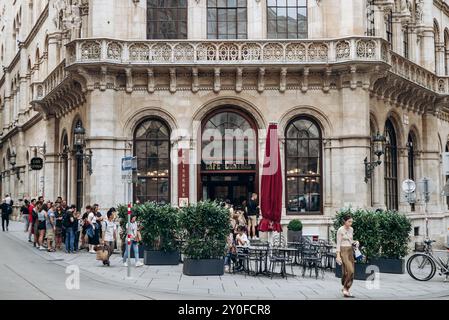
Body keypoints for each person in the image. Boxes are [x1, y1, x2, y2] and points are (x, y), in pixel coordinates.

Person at [336, 214, 359, 298]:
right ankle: (345, 287)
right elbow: (338, 243)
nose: (351, 223)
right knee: (349, 270)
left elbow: (351, 240)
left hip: (350, 250)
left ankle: (346, 289)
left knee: (351, 271)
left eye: (351, 221)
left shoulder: (351, 229)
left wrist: (356, 243)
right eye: (349, 221)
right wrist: (338, 255)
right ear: (344, 221)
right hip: (343, 251)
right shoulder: (340, 230)